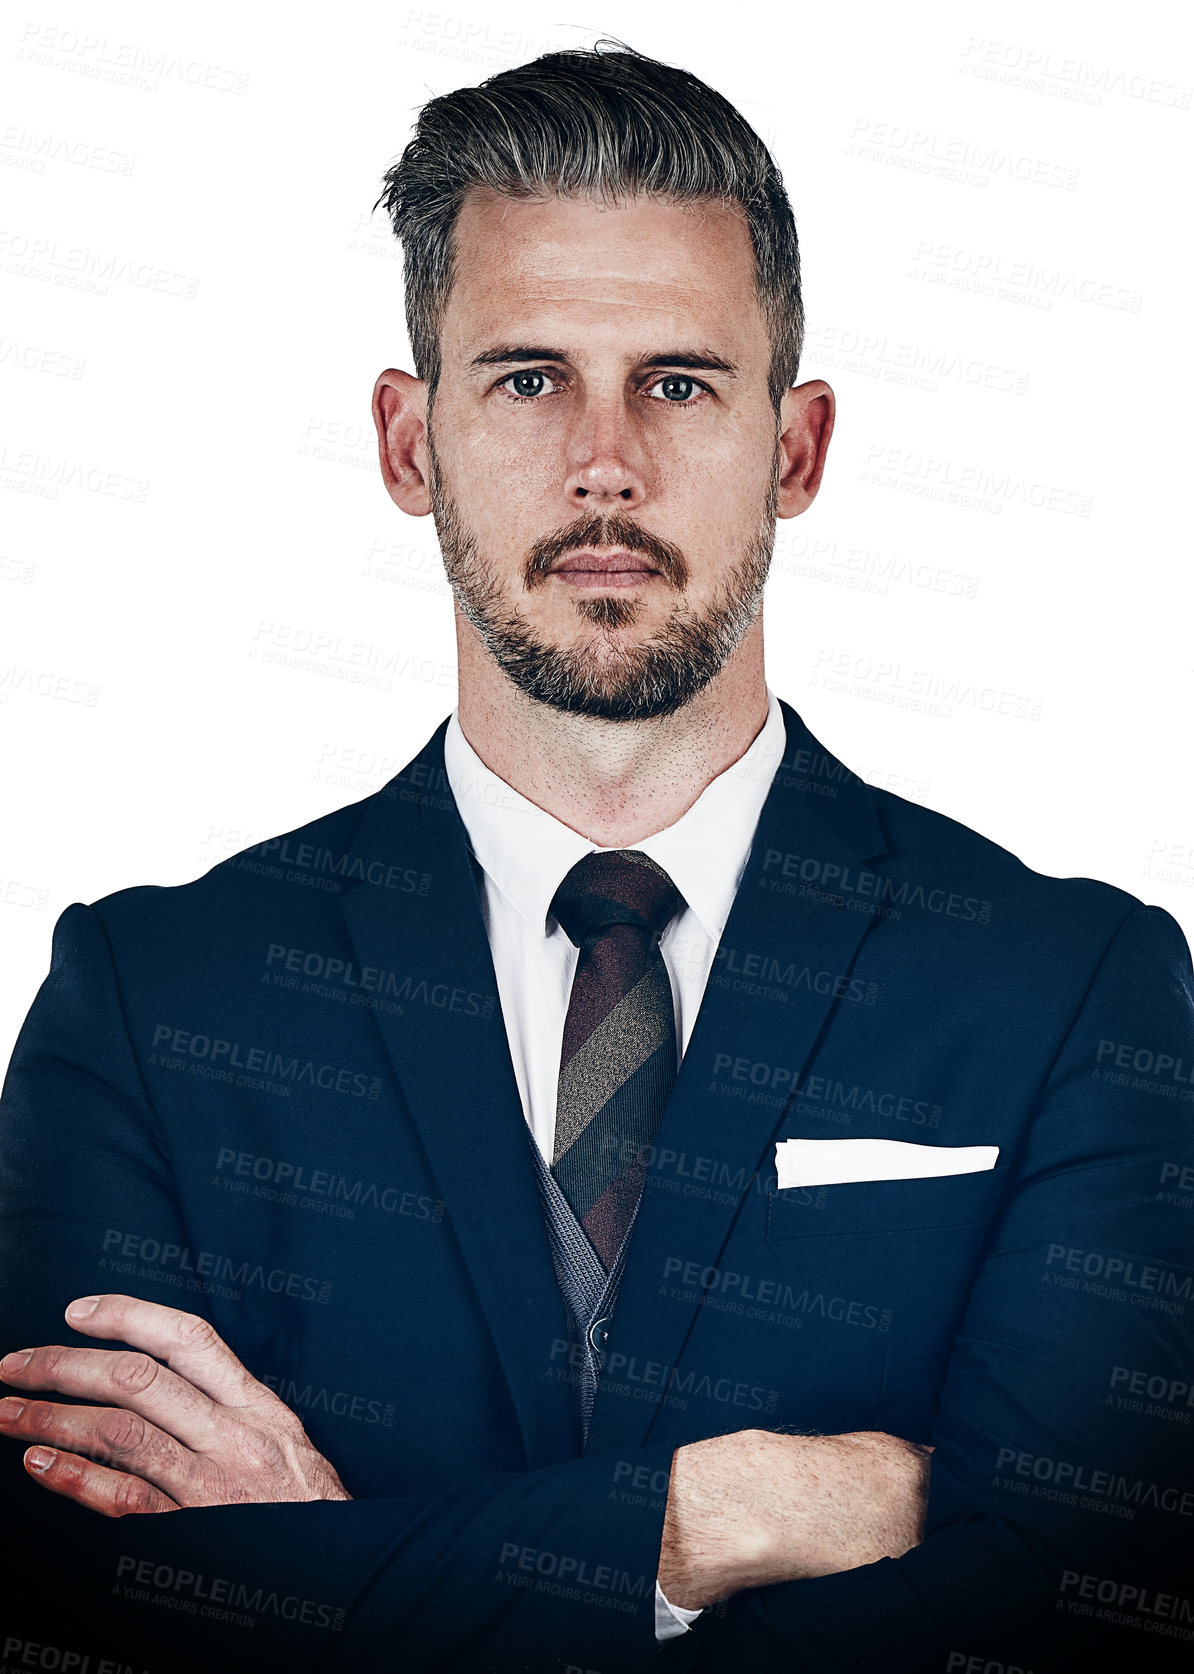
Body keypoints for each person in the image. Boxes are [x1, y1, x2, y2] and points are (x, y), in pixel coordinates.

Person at [1, 42, 1191, 1674]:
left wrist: (330, 1576)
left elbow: (1090, 1608)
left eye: (681, 381)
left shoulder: (1071, 993)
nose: (607, 458)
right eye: (528, 376)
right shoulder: (147, 1005)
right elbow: (69, 1614)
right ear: (409, 444)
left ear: (798, 446)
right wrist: (698, 1524)